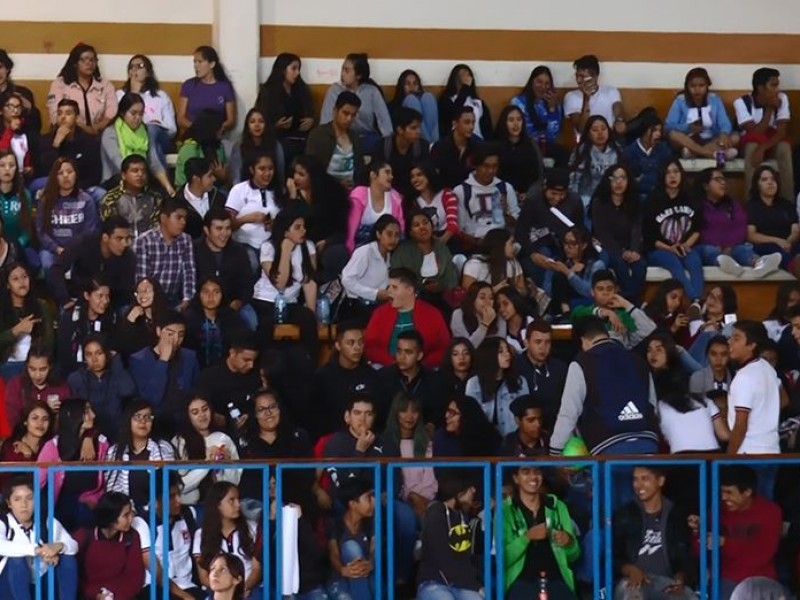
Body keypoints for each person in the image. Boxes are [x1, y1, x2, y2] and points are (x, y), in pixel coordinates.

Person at [550, 316, 659, 455]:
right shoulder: (639, 360)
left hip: (608, 446)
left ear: (583, 340)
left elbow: (569, 413)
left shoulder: (582, 362)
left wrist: (555, 451)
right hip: (648, 443)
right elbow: (653, 406)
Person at [688, 465, 782, 600]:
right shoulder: (717, 510)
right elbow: (700, 551)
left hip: (761, 580)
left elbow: (763, 554)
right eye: (721, 492)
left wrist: (724, 543)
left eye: (729, 492)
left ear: (747, 492)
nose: (723, 497)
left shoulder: (770, 512)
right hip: (728, 580)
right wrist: (698, 531)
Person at [612, 466, 694, 600]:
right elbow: (612, 556)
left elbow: (685, 556)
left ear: (660, 481)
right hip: (633, 582)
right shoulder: (624, 514)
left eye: (645, 479)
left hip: (667, 583)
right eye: (635, 480)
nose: (638, 485)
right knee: (631, 593)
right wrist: (629, 569)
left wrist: (681, 577)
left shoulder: (676, 514)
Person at [503, 465, 580, 600]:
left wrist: (568, 542)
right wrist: (526, 537)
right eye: (526, 471)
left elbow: (574, 555)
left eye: (537, 471)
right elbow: (502, 559)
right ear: (516, 478)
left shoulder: (557, 506)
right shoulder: (506, 511)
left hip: (556, 580)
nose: (533, 476)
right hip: (521, 583)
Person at [251, 210, 319, 358]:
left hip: (290, 302)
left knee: (307, 319)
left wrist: (312, 312)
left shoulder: (308, 246)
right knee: (267, 326)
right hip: (266, 301)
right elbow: (280, 283)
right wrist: (286, 250)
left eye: (304, 226)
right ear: (285, 230)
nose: (303, 231)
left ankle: (309, 363)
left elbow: (309, 282)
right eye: (297, 227)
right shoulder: (268, 247)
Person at [0, 474, 78, 600]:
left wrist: (57, 546)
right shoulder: (3, 522)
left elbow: (73, 546)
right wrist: (38, 550)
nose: (24, 505)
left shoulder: (46, 521)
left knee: (67, 558)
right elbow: (1, 546)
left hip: (40, 582)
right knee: (16, 560)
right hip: (10, 586)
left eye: (30, 498)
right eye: (17, 499)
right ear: (9, 503)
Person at [37, 397, 109, 530]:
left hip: (90, 503)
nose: (93, 415)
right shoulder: (53, 446)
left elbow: (107, 480)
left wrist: (95, 499)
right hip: (61, 504)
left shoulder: (101, 443)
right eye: (87, 411)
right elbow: (38, 481)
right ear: (72, 414)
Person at [695, 167, 782, 277]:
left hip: (732, 247)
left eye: (723, 180)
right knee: (709, 250)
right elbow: (701, 232)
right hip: (710, 248)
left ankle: (759, 263)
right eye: (717, 180)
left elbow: (741, 227)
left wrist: (729, 247)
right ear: (706, 186)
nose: (722, 183)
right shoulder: (698, 206)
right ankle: (725, 263)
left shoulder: (732, 204)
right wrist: (721, 246)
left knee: (742, 249)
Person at [643, 159, 704, 306]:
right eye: (668, 173)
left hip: (685, 246)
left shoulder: (691, 197)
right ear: (662, 176)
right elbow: (649, 236)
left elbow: (697, 228)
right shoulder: (652, 200)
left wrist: (685, 245)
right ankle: (695, 300)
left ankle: (696, 301)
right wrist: (670, 248)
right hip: (659, 249)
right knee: (673, 262)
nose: (672, 176)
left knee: (694, 260)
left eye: (676, 172)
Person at [516, 168, 585, 297]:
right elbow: (520, 231)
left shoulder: (574, 201)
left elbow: (579, 229)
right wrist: (532, 253)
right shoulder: (533, 202)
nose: (557, 198)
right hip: (538, 247)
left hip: (566, 248)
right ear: (545, 188)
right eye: (553, 193)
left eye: (562, 194)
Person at [363, 267, 450, 369]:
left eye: (394, 287)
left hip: (424, 370)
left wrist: (421, 366)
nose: (389, 291)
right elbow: (370, 346)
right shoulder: (379, 314)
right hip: (387, 368)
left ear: (409, 290)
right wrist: (392, 363)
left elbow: (443, 347)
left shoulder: (432, 314)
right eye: (388, 287)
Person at [238, 388, 314, 503]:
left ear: (280, 408)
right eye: (261, 409)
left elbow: (307, 475)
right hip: (257, 505)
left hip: (295, 502)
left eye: (272, 407)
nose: (268, 413)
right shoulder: (245, 442)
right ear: (254, 414)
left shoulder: (298, 436)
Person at [416, 470, 483, 600]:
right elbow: (444, 560)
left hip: (461, 585)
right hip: (434, 583)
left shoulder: (462, 515)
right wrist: (476, 586)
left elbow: (464, 558)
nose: (474, 490)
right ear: (459, 493)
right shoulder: (435, 514)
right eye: (469, 488)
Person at [128, 311, 200, 431]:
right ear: (158, 331)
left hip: (185, 424)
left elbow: (196, 392)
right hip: (154, 425)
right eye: (170, 334)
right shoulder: (139, 360)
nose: (176, 339)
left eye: (181, 335)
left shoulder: (190, 357)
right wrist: (163, 361)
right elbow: (151, 399)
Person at [284, 154, 351, 281]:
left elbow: (342, 228)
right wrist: (293, 199)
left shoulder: (333, 192)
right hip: (300, 241)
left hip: (327, 241)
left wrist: (327, 242)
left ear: (313, 176)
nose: (296, 178)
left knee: (337, 253)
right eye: (295, 173)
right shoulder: (289, 192)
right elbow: (287, 224)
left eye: (301, 174)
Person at [48, 215, 134, 312]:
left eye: (127, 239)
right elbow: (56, 269)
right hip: (80, 297)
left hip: (110, 303)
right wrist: (64, 299)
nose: (124, 244)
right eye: (119, 239)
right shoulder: (83, 243)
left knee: (126, 310)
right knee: (67, 313)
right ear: (105, 237)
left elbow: (126, 291)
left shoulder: (128, 257)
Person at [193, 482, 262, 600]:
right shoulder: (201, 535)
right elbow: (204, 577)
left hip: (248, 588)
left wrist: (241, 590)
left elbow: (257, 569)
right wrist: (224, 591)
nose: (238, 505)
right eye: (231, 500)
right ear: (217, 505)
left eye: (238, 499)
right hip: (216, 590)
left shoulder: (253, 528)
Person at [309, 323, 379, 439]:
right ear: (338, 345)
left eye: (361, 342)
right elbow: (315, 418)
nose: (357, 347)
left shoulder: (372, 376)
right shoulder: (322, 377)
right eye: (350, 343)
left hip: (366, 437)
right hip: (332, 440)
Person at [589, 164, 646, 301]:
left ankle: (632, 301)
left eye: (622, 178)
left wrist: (634, 250)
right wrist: (622, 252)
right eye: (614, 178)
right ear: (607, 181)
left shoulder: (634, 202)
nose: (618, 182)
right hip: (608, 246)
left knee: (640, 266)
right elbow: (601, 233)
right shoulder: (599, 203)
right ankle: (630, 301)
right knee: (620, 265)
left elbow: (636, 229)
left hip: (629, 247)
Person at [734, 67, 793, 198]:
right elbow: (755, 132)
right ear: (760, 88)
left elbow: (781, 132)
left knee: (784, 148)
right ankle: (751, 202)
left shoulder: (782, 98)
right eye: (773, 85)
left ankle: (788, 203)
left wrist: (763, 147)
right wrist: (770, 108)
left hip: (771, 142)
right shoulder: (742, 103)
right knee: (752, 147)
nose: (777, 89)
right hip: (750, 143)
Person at [172, 395, 241, 507]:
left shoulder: (223, 438)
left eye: (205, 409)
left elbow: (233, 483)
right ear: (187, 416)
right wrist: (207, 463)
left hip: (219, 506)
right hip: (188, 506)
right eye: (195, 412)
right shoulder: (180, 442)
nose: (202, 415)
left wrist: (228, 463)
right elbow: (181, 486)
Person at [194, 208, 257, 329]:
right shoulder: (194, 249)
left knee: (251, 321)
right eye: (219, 229)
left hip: (233, 304)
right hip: (201, 306)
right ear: (206, 230)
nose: (224, 233)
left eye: (228, 228)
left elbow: (247, 284)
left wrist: (239, 302)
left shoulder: (239, 251)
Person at [75, 492, 145, 600]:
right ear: (112, 518)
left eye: (131, 513)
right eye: (126, 515)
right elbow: (74, 576)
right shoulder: (84, 537)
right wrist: (94, 594)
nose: (131, 518)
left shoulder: (131, 537)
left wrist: (115, 597)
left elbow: (135, 577)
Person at [99, 92, 173, 194]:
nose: (137, 118)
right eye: (133, 113)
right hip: (116, 178)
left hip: (140, 176)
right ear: (122, 112)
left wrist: (168, 186)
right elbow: (118, 161)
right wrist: (138, 175)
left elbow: (154, 161)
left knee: (161, 191)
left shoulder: (145, 131)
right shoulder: (110, 132)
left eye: (141, 114)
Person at [67, 335, 136, 442]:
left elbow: (127, 391)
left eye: (99, 353)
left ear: (107, 354)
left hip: (117, 437)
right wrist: (87, 436)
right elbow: (76, 415)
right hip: (88, 438)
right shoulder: (77, 378)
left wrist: (116, 361)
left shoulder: (117, 374)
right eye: (89, 355)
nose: (94, 359)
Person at [35, 157, 99, 271]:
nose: (65, 176)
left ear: (76, 175)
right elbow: (41, 231)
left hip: (79, 249)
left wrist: (72, 250)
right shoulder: (45, 201)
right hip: (52, 249)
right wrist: (56, 249)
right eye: (60, 173)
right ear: (55, 177)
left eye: (69, 172)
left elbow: (89, 231)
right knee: (48, 265)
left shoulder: (87, 200)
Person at [726, 320, 780, 454]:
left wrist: (728, 457)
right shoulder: (768, 368)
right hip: (772, 450)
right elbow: (784, 399)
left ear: (751, 345)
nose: (729, 342)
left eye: (736, 339)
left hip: (749, 452)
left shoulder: (744, 377)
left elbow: (740, 424)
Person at [135, 196, 197, 310]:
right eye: (178, 217)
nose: (183, 222)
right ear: (164, 218)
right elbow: (142, 279)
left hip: (174, 299)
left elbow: (189, 273)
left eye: (185, 218)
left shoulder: (186, 240)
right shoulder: (144, 240)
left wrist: (187, 299)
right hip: (149, 299)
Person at [382, 393, 438, 519]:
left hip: (426, 501)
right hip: (401, 501)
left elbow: (431, 478)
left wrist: (421, 498)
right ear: (396, 413)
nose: (409, 416)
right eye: (404, 411)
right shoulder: (387, 443)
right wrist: (411, 496)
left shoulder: (426, 442)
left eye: (414, 411)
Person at [453, 143, 520, 247]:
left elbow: (516, 225)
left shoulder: (506, 188)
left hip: (502, 243)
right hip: (474, 245)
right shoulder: (461, 191)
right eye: (486, 166)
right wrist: (479, 243)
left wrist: (505, 213)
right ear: (476, 165)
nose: (490, 171)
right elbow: (459, 230)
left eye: (494, 166)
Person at [225, 150, 282, 273]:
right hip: (244, 244)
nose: (267, 173)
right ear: (252, 170)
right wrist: (246, 219)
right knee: (252, 264)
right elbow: (227, 225)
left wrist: (274, 224)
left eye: (270, 169)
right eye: (262, 169)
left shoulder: (277, 192)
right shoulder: (239, 190)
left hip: (271, 244)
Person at [571, 270, 657, 350]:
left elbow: (650, 332)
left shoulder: (624, 314)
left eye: (609, 289)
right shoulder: (584, 312)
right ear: (592, 292)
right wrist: (604, 312)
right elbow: (576, 314)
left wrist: (627, 305)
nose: (605, 293)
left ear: (615, 291)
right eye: (600, 289)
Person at [320, 53, 392, 148]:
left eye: (347, 71)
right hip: (340, 138)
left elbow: (384, 121)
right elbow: (325, 121)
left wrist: (388, 144)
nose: (342, 74)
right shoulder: (334, 90)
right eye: (342, 69)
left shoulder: (372, 91)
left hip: (366, 138)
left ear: (358, 75)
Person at [254, 52, 315, 165]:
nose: (297, 73)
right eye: (293, 69)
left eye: (298, 69)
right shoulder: (268, 91)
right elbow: (261, 118)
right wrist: (276, 126)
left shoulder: (302, 89)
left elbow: (311, 113)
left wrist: (310, 120)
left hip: (301, 136)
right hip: (278, 138)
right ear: (283, 69)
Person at [666, 67, 739, 159]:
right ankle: (714, 154)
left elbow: (724, 122)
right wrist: (687, 127)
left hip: (711, 139)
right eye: (693, 86)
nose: (697, 90)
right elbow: (669, 125)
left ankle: (695, 153)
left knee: (735, 137)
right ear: (687, 86)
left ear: (707, 86)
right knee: (673, 134)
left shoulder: (714, 99)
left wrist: (724, 133)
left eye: (701, 86)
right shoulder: (680, 100)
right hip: (688, 140)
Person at [377, 329, 444, 430]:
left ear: (419, 355)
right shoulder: (383, 377)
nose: (401, 357)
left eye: (408, 352)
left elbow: (437, 414)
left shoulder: (434, 380)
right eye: (399, 351)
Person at [151, 473, 204, 600]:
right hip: (158, 588)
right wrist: (184, 596)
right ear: (156, 500)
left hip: (188, 584)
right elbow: (156, 575)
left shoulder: (189, 515)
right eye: (171, 497)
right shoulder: (144, 523)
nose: (179, 501)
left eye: (179, 495)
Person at [46, 43, 117, 135]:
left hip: (98, 135)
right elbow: (55, 116)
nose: (89, 63)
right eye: (84, 60)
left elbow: (110, 116)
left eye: (92, 60)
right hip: (69, 135)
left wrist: (93, 129)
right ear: (75, 63)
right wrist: (81, 127)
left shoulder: (105, 85)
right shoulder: (60, 84)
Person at [118, 54, 176, 166]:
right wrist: (133, 93)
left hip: (160, 137)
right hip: (131, 138)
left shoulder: (160, 96)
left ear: (148, 72)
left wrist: (156, 124)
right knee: (154, 147)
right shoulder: (120, 95)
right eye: (131, 67)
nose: (135, 70)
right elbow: (119, 123)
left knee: (151, 130)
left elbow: (172, 129)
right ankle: (161, 181)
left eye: (140, 66)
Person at [391, 210, 458, 308]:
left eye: (425, 223)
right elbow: (397, 279)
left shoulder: (442, 248)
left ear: (432, 226)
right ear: (410, 232)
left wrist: (441, 286)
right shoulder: (402, 251)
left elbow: (451, 278)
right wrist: (421, 287)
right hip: (413, 300)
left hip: (441, 299)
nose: (422, 227)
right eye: (416, 225)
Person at [0, 264, 55, 381]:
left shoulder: (41, 306)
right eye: (15, 279)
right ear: (8, 285)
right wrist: (17, 330)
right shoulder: (2, 308)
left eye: (24, 277)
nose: (22, 282)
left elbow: (49, 342)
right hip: (8, 365)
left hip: (36, 365)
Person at [340, 214, 399, 322]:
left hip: (379, 306)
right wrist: (375, 293)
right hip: (358, 307)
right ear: (378, 234)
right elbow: (347, 279)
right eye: (389, 234)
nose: (393, 239)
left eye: (396, 235)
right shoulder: (365, 252)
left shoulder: (390, 256)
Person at [465, 337, 529, 437]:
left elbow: (526, 414)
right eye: (501, 351)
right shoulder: (474, 383)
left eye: (507, 350)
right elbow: (470, 418)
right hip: (484, 441)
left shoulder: (519, 381)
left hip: (513, 440)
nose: (507, 354)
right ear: (489, 355)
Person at [195, 332, 260, 429]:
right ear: (232, 353)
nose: (251, 365)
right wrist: (213, 416)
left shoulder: (255, 375)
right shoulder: (209, 376)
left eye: (253, 360)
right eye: (246, 360)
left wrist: (250, 415)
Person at [38, 98, 102, 195]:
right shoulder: (46, 139)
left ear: (76, 118)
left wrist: (73, 188)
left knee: (100, 194)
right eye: (59, 113)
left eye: (68, 113)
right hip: (53, 184)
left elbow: (95, 176)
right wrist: (56, 144)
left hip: (81, 186)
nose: (63, 117)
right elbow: (45, 170)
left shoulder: (89, 141)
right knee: (36, 186)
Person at [326, 477, 376, 600]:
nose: (373, 502)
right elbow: (334, 555)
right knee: (351, 547)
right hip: (340, 580)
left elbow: (374, 550)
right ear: (353, 504)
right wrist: (343, 569)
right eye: (368, 498)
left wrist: (370, 563)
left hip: (367, 576)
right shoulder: (336, 525)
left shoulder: (371, 524)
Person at [746, 164, 800, 275]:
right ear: (757, 184)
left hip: (789, 243)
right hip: (765, 245)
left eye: (773, 179)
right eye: (764, 180)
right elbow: (751, 235)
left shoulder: (786, 204)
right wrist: (777, 241)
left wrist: (788, 242)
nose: (770, 183)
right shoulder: (751, 206)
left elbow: (795, 230)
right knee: (781, 254)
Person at [55, 276, 115, 376]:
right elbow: (63, 354)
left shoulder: (110, 318)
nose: (105, 301)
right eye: (100, 296)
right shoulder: (70, 318)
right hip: (74, 372)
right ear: (87, 295)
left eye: (107, 296)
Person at [514, 321, 568, 433]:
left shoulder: (560, 368)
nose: (543, 347)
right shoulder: (514, 369)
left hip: (557, 429)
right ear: (526, 343)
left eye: (547, 342)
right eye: (538, 342)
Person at [510, 65, 569, 166]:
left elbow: (552, 136)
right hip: (525, 146)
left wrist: (552, 109)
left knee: (565, 155)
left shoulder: (554, 104)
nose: (542, 87)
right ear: (531, 82)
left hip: (546, 146)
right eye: (539, 82)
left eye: (547, 83)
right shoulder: (518, 102)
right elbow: (519, 132)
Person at [184, 276, 246, 369]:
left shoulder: (232, 318)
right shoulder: (188, 319)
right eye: (205, 292)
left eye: (216, 292)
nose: (210, 297)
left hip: (225, 371)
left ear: (222, 295)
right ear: (199, 294)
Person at [306, 90, 364, 190]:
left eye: (353, 115)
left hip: (352, 192)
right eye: (345, 113)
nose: (349, 118)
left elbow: (360, 170)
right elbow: (312, 170)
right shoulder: (318, 135)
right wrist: (337, 184)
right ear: (335, 111)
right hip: (326, 191)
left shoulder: (355, 137)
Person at [370, 106, 430, 202]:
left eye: (419, 127)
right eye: (413, 128)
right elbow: (376, 178)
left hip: (415, 196)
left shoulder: (422, 146)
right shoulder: (382, 147)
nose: (419, 132)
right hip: (387, 196)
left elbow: (425, 177)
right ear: (400, 129)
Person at [100, 153, 164, 240]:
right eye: (135, 171)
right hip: (123, 245)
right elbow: (111, 228)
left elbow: (157, 227)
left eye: (144, 171)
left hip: (149, 244)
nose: (140, 174)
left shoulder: (155, 198)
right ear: (123, 175)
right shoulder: (111, 199)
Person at [346, 160, 405, 254]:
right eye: (387, 172)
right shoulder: (359, 196)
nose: (391, 176)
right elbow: (351, 232)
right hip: (362, 249)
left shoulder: (395, 199)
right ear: (373, 174)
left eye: (392, 173)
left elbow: (400, 230)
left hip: (389, 250)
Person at [569, 115, 622, 220]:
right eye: (595, 130)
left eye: (603, 129)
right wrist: (574, 202)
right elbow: (574, 180)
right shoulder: (582, 151)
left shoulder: (617, 149)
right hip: (586, 197)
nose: (600, 133)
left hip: (610, 197)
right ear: (588, 133)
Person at [4, 345, 66, 431]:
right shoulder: (15, 385)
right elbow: (13, 421)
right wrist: (45, 409)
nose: (37, 375)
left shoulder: (61, 388)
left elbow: (67, 422)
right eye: (32, 369)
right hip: (22, 437)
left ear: (50, 367)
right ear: (26, 366)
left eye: (43, 369)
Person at [563, 54, 625, 138]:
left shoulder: (611, 91)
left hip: (610, 137)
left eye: (582, 77)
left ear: (595, 77)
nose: (578, 80)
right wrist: (586, 99)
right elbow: (581, 129)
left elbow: (618, 111)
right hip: (587, 140)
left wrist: (619, 120)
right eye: (577, 76)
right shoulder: (571, 96)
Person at [178, 46, 236, 135]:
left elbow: (231, 120)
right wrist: (197, 128)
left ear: (212, 64)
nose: (196, 65)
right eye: (194, 62)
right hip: (192, 135)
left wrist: (220, 128)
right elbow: (181, 119)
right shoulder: (188, 85)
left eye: (200, 62)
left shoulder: (225, 87)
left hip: (216, 136)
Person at [550, 227, 606, 315]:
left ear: (584, 245)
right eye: (565, 242)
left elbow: (589, 291)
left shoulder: (597, 265)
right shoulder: (561, 262)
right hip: (563, 304)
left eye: (572, 243)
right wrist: (569, 270)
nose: (567, 247)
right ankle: (564, 313)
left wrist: (568, 273)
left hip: (588, 305)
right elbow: (549, 289)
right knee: (559, 276)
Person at [494, 105, 544, 202]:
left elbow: (540, 176)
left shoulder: (531, 144)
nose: (516, 124)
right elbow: (492, 176)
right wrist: (508, 193)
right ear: (504, 123)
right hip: (503, 199)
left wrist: (529, 194)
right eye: (511, 120)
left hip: (529, 199)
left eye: (519, 119)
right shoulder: (496, 146)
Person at [114, 276, 170, 361]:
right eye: (138, 292)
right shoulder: (130, 314)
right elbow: (122, 347)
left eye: (146, 291)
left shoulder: (167, 316)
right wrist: (130, 321)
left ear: (156, 292)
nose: (141, 295)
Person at [622, 111, 673, 202]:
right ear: (644, 131)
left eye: (660, 131)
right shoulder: (629, 152)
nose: (658, 134)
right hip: (636, 197)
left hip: (660, 196)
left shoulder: (664, 150)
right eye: (654, 130)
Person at [462, 227, 527, 297]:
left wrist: (509, 290)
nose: (514, 247)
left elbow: (523, 291)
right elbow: (467, 294)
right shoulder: (474, 264)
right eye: (511, 243)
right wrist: (493, 291)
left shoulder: (513, 263)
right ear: (500, 245)